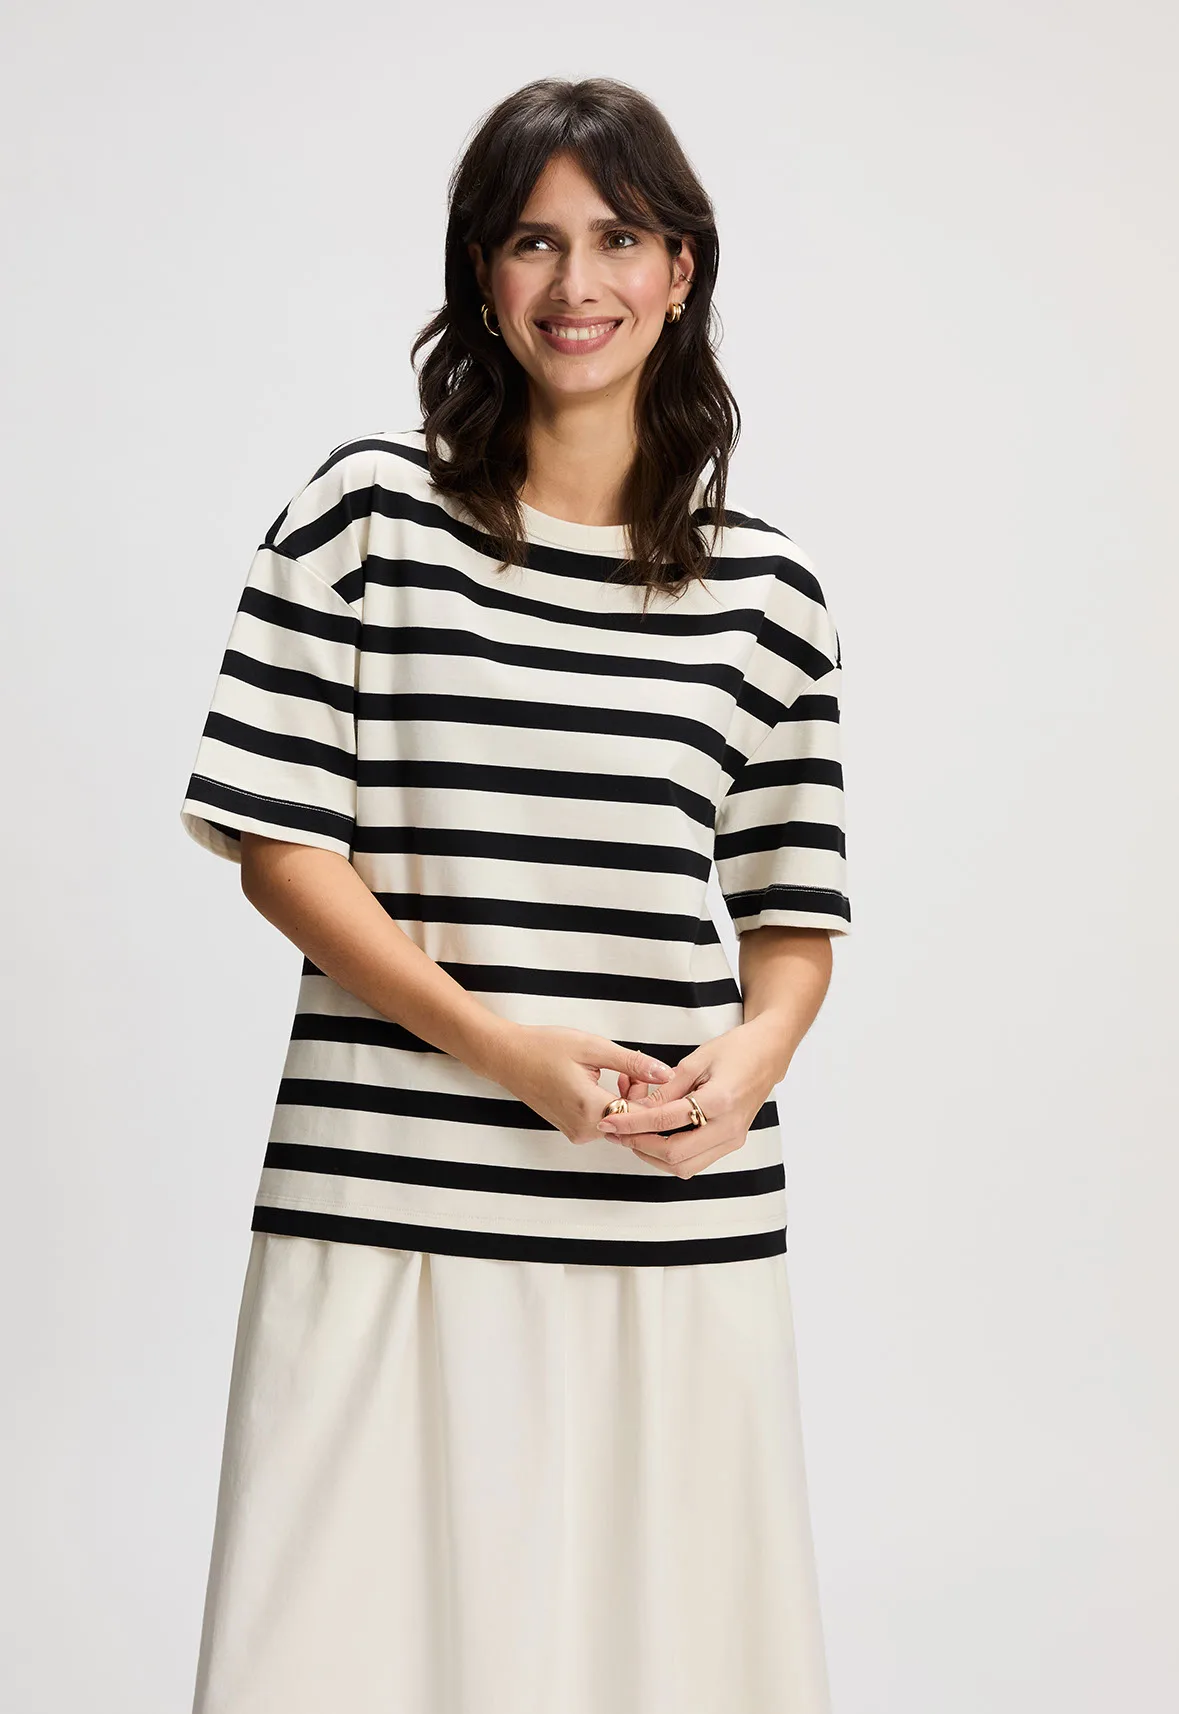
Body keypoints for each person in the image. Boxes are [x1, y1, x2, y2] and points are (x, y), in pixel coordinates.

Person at [180, 74, 852, 1714]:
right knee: (331, 1659)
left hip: (660, 1213)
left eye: (617, 238)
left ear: (679, 270)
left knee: (659, 1665)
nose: (576, 283)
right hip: (386, 1195)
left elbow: (791, 909)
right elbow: (279, 846)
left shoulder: (768, 594)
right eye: (533, 242)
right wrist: (500, 1050)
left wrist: (757, 1056)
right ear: (480, 276)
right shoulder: (364, 521)